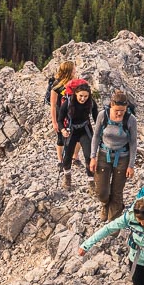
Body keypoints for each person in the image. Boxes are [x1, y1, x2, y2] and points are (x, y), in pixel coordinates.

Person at [90, 90, 138, 222]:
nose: (119, 113)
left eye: (122, 110)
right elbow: (96, 136)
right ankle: (105, 204)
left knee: (117, 191)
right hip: (104, 155)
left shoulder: (131, 120)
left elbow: (133, 143)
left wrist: (131, 165)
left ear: (126, 108)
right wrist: (93, 157)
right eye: (117, 110)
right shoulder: (103, 115)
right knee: (101, 191)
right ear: (111, 105)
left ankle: (114, 221)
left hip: (123, 157)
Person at [59, 80, 98, 191]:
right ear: (75, 94)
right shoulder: (68, 103)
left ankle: (91, 181)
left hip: (85, 130)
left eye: (86, 96)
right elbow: (60, 119)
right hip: (71, 130)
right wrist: (62, 130)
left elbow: (97, 119)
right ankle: (67, 177)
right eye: (81, 96)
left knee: (89, 155)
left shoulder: (91, 103)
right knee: (67, 155)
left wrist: (101, 132)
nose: (83, 99)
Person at [50, 61, 81, 166]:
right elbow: (53, 105)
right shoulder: (57, 85)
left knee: (78, 136)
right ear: (69, 71)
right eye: (73, 69)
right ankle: (60, 160)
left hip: (75, 114)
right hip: (61, 115)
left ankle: (75, 156)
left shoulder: (76, 82)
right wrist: (54, 122)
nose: (75, 70)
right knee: (60, 138)